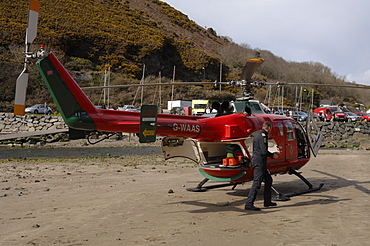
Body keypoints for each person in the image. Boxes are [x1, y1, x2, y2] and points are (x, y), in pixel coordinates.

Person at [245, 121, 278, 211]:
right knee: (257, 183)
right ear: (269, 128)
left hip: (259, 161)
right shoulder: (263, 136)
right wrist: (272, 155)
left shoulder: (257, 134)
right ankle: (249, 203)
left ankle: (267, 201)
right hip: (259, 162)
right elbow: (263, 151)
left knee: (268, 180)